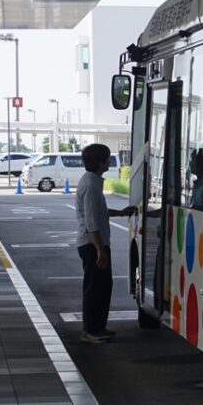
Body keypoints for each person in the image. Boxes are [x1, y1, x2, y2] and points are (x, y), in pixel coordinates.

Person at [76, 143, 136, 343]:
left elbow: (99, 213)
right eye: (108, 158)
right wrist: (100, 250)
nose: (109, 161)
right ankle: (91, 330)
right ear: (101, 162)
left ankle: (98, 327)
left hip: (96, 243)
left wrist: (121, 213)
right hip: (93, 244)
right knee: (95, 287)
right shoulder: (91, 185)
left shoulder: (92, 181)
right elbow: (91, 222)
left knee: (103, 286)